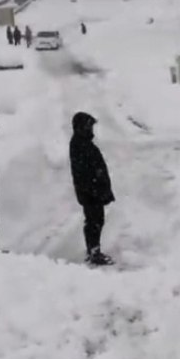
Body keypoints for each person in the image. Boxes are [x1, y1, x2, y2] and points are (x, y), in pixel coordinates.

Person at [68, 112, 115, 266]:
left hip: (93, 191)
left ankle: (93, 249)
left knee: (96, 220)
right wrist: (95, 189)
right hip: (90, 193)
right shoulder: (79, 145)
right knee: (94, 221)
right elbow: (83, 173)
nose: (91, 129)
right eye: (89, 126)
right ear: (81, 127)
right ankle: (94, 251)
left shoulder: (83, 143)